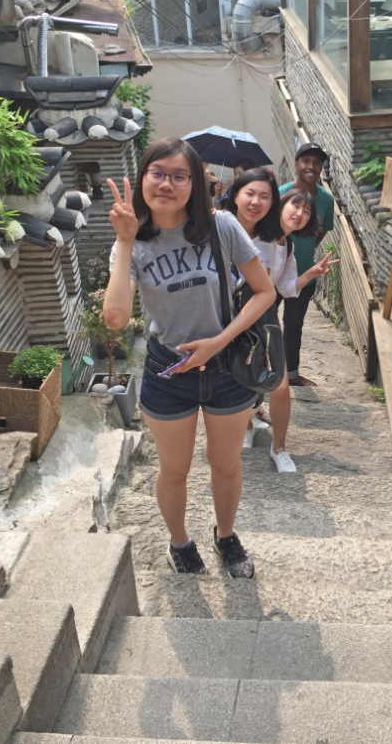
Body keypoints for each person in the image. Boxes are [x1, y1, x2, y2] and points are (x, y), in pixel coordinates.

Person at [103, 137, 276, 579]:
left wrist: (219, 341)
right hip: (167, 370)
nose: (167, 184)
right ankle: (180, 542)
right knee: (174, 468)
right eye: (157, 173)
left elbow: (264, 292)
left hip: (225, 368)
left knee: (226, 463)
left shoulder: (222, 227)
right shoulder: (133, 243)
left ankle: (226, 536)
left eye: (180, 176)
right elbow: (116, 318)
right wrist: (124, 243)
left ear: (194, 184)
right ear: (143, 177)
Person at [226, 171, 338, 471]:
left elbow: (286, 289)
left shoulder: (285, 246)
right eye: (294, 206)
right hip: (233, 315)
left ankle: (279, 447)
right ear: (280, 206)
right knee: (238, 376)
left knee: (280, 385)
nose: (300, 214)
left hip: (264, 317)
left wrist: (311, 273)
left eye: (306, 211)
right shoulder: (251, 236)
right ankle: (248, 426)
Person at [278, 142, 335, 387]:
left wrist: (306, 247)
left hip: (303, 273)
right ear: (296, 164)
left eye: (317, 163)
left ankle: (291, 375)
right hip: (272, 275)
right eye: (306, 161)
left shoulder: (325, 200)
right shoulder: (280, 193)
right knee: (262, 324)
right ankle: (260, 374)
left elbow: (321, 231)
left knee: (294, 326)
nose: (311, 166)